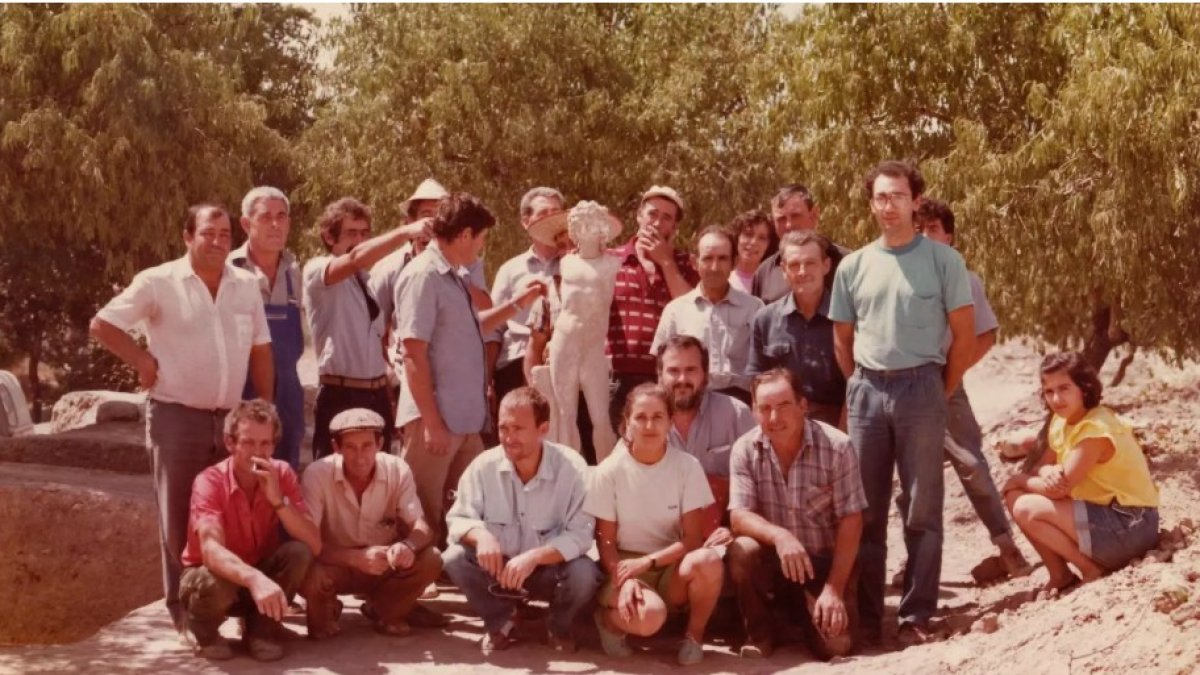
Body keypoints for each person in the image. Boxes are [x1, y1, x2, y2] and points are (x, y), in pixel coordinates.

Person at [90, 203, 273, 633]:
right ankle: (189, 614)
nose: (218, 241)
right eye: (208, 233)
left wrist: (264, 409)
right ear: (187, 236)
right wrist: (141, 361)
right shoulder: (158, 282)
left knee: (239, 515)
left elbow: (260, 350)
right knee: (178, 519)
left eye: (225, 234)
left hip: (232, 422)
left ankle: (245, 611)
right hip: (177, 416)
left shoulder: (247, 284)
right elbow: (102, 325)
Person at [829, 161, 976, 645]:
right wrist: (858, 386)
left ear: (916, 201)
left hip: (922, 390)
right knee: (865, 512)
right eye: (880, 197)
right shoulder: (853, 266)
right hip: (869, 392)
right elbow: (842, 338)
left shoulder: (943, 262)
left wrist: (941, 387)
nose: (888, 205)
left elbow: (964, 335)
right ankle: (871, 621)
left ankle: (916, 616)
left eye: (897, 196)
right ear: (871, 203)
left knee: (922, 507)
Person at [394, 192, 545, 548]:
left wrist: (517, 304)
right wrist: (431, 423)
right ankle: (410, 582)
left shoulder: (454, 275)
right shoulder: (423, 276)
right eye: (480, 238)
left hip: (464, 419)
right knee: (421, 509)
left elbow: (471, 326)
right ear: (464, 235)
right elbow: (413, 353)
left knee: (464, 509)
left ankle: (451, 577)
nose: (481, 247)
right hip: (435, 419)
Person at [911, 199, 1031, 579]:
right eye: (919, 229)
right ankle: (916, 565)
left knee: (972, 465)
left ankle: (1006, 545)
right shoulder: (900, 278)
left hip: (946, 383)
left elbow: (985, 334)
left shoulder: (964, 279)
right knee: (911, 478)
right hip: (903, 385)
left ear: (949, 236)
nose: (926, 236)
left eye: (933, 229)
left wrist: (951, 376)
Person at [442, 387, 601, 655]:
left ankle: (558, 625)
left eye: (518, 428)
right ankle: (502, 620)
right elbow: (457, 518)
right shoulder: (483, 466)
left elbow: (581, 535)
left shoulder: (573, 469)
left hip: (549, 571)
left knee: (584, 574)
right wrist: (482, 536)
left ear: (543, 429)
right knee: (454, 558)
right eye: (503, 428)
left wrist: (534, 558)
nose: (508, 437)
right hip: (498, 571)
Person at [728, 369, 867, 660]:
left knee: (836, 647)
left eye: (783, 406)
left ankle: (809, 612)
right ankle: (760, 634)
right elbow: (739, 515)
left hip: (824, 564)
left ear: (803, 405)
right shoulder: (744, 449)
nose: (774, 418)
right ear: (754, 411)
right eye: (765, 408)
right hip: (775, 560)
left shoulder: (837, 447)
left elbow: (852, 520)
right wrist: (780, 536)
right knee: (742, 549)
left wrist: (833, 589)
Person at [585, 383, 724, 666]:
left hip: (668, 563)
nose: (649, 425)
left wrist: (648, 562)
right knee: (649, 618)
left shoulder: (687, 466)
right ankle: (608, 621)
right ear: (626, 423)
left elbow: (693, 540)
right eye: (640, 417)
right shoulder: (608, 472)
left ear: (670, 422)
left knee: (707, 560)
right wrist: (624, 581)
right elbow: (606, 542)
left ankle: (694, 637)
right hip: (622, 565)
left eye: (658, 417)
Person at [1002, 352, 1160, 597]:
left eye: (1064, 388)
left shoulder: (1094, 429)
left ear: (1084, 388)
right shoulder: (1062, 420)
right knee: (1015, 495)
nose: (1056, 398)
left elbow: (1058, 489)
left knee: (1024, 504)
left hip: (1132, 524)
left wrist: (1019, 479)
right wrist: (1046, 470)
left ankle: (1090, 569)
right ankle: (1060, 576)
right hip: (1104, 514)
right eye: (1049, 391)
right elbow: (1041, 467)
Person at [176, 400, 321, 661]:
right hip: (214, 578)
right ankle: (204, 632)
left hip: (257, 577)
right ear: (230, 443)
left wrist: (278, 500)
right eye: (248, 442)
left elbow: (314, 544)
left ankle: (261, 632)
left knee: (298, 553)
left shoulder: (282, 473)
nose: (257, 452)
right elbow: (210, 551)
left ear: (274, 445)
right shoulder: (209, 481)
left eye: (265, 443)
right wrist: (254, 579)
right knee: (214, 580)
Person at [300, 408, 447, 639]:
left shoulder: (397, 469)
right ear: (336, 447)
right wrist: (355, 558)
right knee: (304, 568)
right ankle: (328, 606)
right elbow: (309, 543)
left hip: (383, 565)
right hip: (335, 564)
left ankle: (385, 610)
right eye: (350, 447)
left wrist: (408, 546)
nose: (360, 456)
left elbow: (421, 527)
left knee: (432, 558)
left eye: (367, 445)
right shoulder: (317, 475)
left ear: (379, 444)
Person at [305, 197, 432, 458]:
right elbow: (354, 257)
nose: (361, 240)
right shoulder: (318, 271)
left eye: (365, 233)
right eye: (352, 233)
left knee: (380, 473)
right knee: (336, 476)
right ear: (329, 237)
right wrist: (407, 231)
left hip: (375, 393)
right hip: (341, 393)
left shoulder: (367, 281)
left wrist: (388, 396)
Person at [606, 186, 699, 426]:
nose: (657, 222)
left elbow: (692, 309)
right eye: (652, 214)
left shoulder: (684, 264)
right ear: (639, 215)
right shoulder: (610, 259)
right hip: (616, 376)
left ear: (674, 227)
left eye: (666, 218)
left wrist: (665, 262)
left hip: (664, 378)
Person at [231, 186, 305, 470]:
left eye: (282, 216)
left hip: (288, 393)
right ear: (246, 223)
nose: (275, 224)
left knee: (284, 476)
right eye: (265, 217)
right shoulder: (230, 270)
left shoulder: (293, 272)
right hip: (242, 391)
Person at [651, 226, 763, 404]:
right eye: (708, 258)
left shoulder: (754, 308)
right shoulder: (675, 310)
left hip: (742, 403)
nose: (715, 267)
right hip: (691, 402)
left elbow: (765, 367)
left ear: (734, 262)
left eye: (722, 259)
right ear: (695, 262)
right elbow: (661, 370)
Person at [748, 231, 847, 428]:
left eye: (810, 263)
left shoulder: (846, 318)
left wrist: (844, 432)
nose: (802, 271)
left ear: (826, 266)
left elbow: (856, 382)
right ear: (784, 270)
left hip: (835, 420)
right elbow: (756, 382)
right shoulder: (765, 319)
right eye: (794, 265)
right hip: (781, 422)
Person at [656, 335, 755, 528]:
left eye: (691, 370)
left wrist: (732, 530)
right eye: (673, 371)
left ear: (706, 374)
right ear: (659, 375)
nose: (682, 379)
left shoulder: (736, 414)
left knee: (746, 549)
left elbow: (759, 480)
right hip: (662, 529)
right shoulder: (645, 418)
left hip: (725, 527)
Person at [488, 187, 568, 407]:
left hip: (567, 362)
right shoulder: (510, 269)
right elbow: (493, 330)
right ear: (526, 221)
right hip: (515, 362)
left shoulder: (577, 263)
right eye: (543, 213)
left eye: (556, 212)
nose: (550, 218)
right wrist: (486, 380)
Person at [751, 184, 848, 304]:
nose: (788, 225)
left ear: (814, 214)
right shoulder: (764, 273)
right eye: (781, 219)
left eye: (795, 216)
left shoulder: (847, 263)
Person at [728, 210, 775, 295]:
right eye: (748, 234)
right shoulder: (723, 281)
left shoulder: (774, 284)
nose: (754, 242)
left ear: (769, 244)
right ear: (737, 237)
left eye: (762, 238)